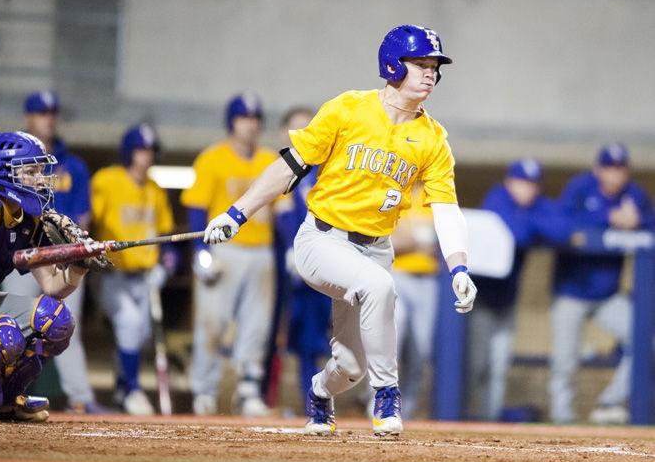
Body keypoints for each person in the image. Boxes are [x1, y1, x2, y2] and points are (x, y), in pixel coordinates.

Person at [203, 25, 477, 436]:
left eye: (435, 66)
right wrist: (237, 213)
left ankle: (318, 390)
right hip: (322, 239)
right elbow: (290, 167)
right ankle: (388, 396)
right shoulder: (348, 109)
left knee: (351, 367)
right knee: (380, 287)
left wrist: (459, 268)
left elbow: (447, 208)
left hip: (376, 248)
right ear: (392, 64)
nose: (430, 74)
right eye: (420, 64)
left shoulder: (433, 138)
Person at [0, 91, 106, 414]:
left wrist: (77, 259)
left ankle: (75, 398)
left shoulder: (71, 169)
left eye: (53, 112)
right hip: (13, 266)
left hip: (57, 256)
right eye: (42, 112)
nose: (49, 118)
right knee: (5, 334)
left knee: (61, 323)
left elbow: (81, 220)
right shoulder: (4, 184)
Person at [181, 92, 278, 417]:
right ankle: (204, 390)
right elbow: (196, 207)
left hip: (261, 252)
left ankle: (249, 389)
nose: (250, 125)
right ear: (231, 122)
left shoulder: (269, 160)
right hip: (224, 251)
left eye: (255, 119)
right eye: (243, 118)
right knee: (212, 322)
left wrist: (291, 247)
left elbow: (286, 209)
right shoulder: (212, 158)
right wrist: (199, 252)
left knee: (257, 325)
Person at [549, 143, 655, 424]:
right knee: (564, 361)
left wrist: (638, 221)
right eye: (609, 168)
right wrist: (607, 218)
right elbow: (561, 223)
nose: (615, 174)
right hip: (571, 291)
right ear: (598, 169)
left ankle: (609, 402)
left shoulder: (634, 195)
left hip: (608, 295)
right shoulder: (581, 188)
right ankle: (561, 420)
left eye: (620, 168)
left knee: (647, 341)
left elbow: (651, 223)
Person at [0, 131, 83, 422]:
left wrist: (79, 265)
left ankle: (0, 401)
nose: (40, 179)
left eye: (40, 170)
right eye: (31, 171)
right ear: (3, 173)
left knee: (55, 320)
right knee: (2, 338)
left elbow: (52, 286)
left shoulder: (27, 218)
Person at [91, 123, 175, 415]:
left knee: (137, 335)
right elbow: (88, 223)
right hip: (111, 274)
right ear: (129, 151)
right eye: (141, 150)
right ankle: (133, 390)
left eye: (150, 151)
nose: (146, 156)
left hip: (144, 277)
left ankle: (121, 387)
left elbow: (166, 236)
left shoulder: (155, 188)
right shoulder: (107, 180)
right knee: (128, 323)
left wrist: (166, 264)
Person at [467, 159, 557, 421]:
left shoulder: (537, 206)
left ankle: (490, 421)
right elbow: (514, 233)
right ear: (509, 181)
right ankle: (463, 419)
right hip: (479, 298)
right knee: (476, 365)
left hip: (507, 301)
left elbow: (561, 229)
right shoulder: (496, 197)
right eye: (521, 182)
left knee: (498, 367)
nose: (526, 190)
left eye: (532, 184)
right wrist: (532, 224)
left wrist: (528, 221)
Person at [275, 107, 332, 405]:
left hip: (327, 258)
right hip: (293, 266)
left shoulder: (325, 168)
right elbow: (282, 210)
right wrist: (289, 248)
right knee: (296, 335)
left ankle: (319, 394)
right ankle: (298, 398)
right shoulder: (284, 167)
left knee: (321, 334)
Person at [389, 182, 440, 419]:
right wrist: (420, 240)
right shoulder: (395, 188)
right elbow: (392, 241)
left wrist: (414, 238)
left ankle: (405, 411)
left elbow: (439, 242)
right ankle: (377, 402)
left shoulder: (436, 192)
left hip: (428, 280)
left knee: (422, 348)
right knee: (392, 341)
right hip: (397, 274)